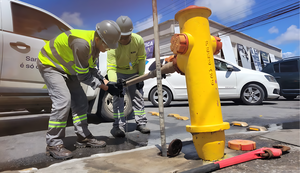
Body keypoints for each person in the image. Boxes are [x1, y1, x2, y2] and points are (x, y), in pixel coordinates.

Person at [37, 20, 122, 160]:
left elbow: (92, 70)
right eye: (107, 45)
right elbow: (84, 76)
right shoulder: (82, 44)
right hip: (50, 65)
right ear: (98, 38)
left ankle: (83, 137)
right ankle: (53, 143)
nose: (108, 49)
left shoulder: (95, 47)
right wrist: (106, 88)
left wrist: (108, 82)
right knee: (63, 100)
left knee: (81, 101)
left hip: (68, 69)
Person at [107, 16, 150, 138]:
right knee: (118, 99)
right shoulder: (112, 45)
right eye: (120, 37)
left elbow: (142, 59)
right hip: (119, 73)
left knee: (138, 97)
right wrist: (114, 83)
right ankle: (118, 127)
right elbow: (111, 67)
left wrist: (141, 77)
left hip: (134, 72)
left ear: (131, 33)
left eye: (125, 37)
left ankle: (141, 123)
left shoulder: (138, 40)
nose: (123, 40)